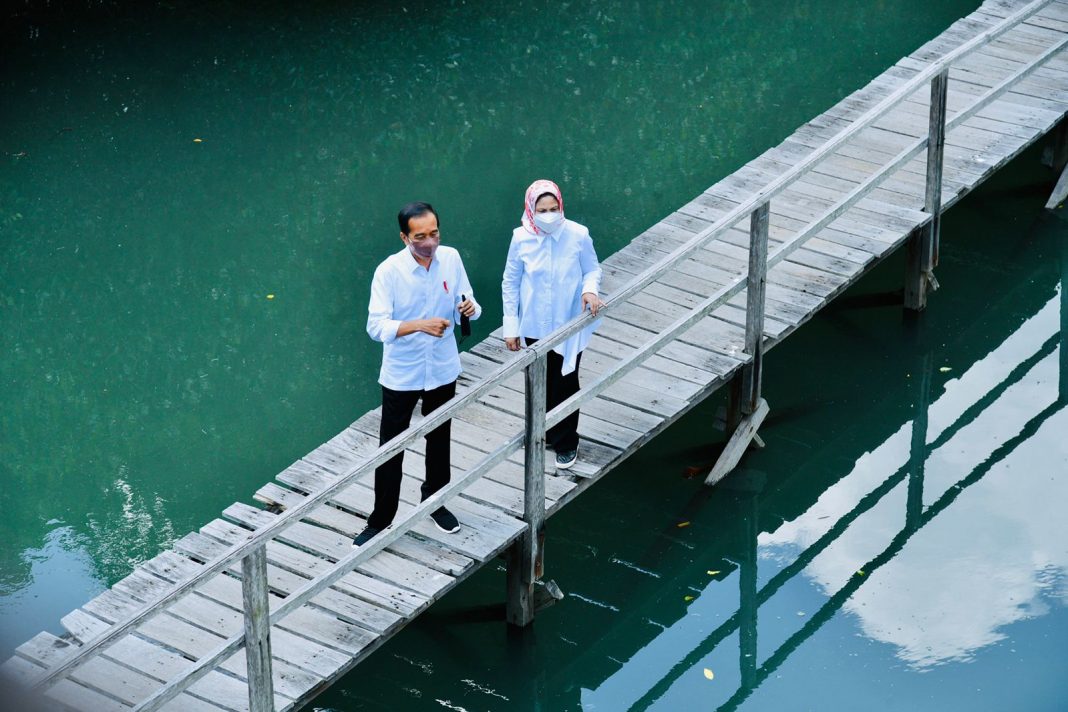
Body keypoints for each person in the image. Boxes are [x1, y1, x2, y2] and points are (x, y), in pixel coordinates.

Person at [353, 201, 481, 547]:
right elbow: (376, 327)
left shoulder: (451, 258)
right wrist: (418, 325)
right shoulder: (389, 271)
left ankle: (435, 501)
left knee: (439, 438)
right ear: (404, 237)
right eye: (420, 237)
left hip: (442, 366)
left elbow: (469, 302)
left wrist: (468, 307)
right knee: (391, 447)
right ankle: (380, 520)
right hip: (403, 372)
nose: (429, 242)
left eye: (434, 233)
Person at [501, 179, 603, 470]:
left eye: (553, 208)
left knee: (565, 380)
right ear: (531, 210)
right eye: (542, 210)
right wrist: (511, 326)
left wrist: (590, 291)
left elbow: (592, 269)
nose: (548, 215)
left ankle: (567, 441)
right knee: (539, 380)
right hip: (534, 323)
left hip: (568, 319)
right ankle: (543, 430)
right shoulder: (520, 238)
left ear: (561, 206)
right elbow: (510, 282)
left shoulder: (578, 234)